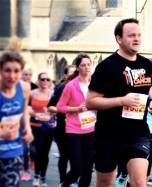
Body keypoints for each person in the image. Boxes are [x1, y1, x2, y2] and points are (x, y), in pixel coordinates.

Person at [85, 18, 152, 187]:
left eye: (139, 35)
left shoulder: (145, 64)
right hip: (109, 136)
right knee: (105, 183)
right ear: (119, 38)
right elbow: (90, 101)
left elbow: (147, 89)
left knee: (139, 182)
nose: (137, 39)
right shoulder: (107, 66)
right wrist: (122, 101)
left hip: (138, 133)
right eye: (131, 35)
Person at [57, 53, 95, 187]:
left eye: (89, 65)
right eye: (83, 65)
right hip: (74, 132)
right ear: (78, 68)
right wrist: (77, 109)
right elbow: (60, 107)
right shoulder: (71, 86)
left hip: (91, 130)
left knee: (88, 170)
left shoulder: (95, 84)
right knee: (77, 169)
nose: (86, 67)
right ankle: (65, 184)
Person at [0, 37, 34, 187]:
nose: (12, 76)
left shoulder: (24, 88)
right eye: (7, 71)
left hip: (14, 153)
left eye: (16, 71)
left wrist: (27, 127)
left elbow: (24, 109)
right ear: (1, 70)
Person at [47, 65, 76, 184]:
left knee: (76, 158)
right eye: (72, 73)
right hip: (62, 128)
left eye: (76, 73)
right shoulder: (60, 89)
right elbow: (50, 107)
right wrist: (65, 109)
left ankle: (73, 181)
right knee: (64, 156)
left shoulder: (82, 88)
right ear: (65, 75)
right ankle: (62, 181)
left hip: (77, 128)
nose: (75, 75)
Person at [29, 72, 55, 187]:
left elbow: (57, 109)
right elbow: (25, 107)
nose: (45, 82)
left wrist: (49, 112)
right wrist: (33, 113)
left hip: (49, 126)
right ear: (38, 81)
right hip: (35, 126)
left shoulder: (53, 94)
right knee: (39, 151)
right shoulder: (31, 93)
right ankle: (36, 176)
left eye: (47, 79)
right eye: (43, 79)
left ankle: (43, 177)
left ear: (50, 82)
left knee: (45, 153)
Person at [21, 68, 38, 181]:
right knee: (23, 149)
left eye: (30, 74)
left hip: (34, 121)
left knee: (33, 149)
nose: (28, 76)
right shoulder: (17, 87)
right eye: (25, 74)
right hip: (20, 121)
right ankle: (26, 170)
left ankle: (32, 157)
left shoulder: (35, 88)